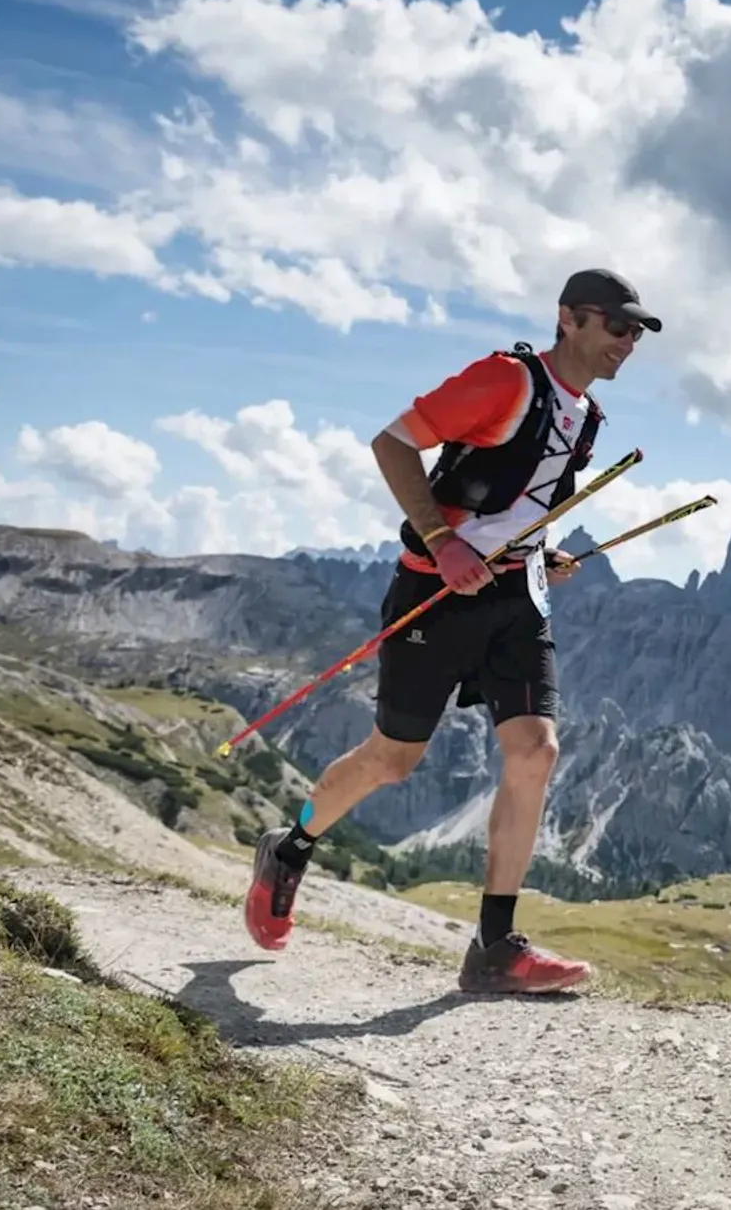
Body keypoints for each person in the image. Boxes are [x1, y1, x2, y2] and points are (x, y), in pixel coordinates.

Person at [241, 268, 662, 994]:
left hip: (516, 596)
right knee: (392, 760)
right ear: (571, 320)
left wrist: (539, 550)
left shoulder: (586, 417)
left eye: (636, 332)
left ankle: (495, 947)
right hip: (436, 593)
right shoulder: (504, 380)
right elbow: (394, 442)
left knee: (536, 750)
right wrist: (443, 541)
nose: (628, 342)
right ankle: (291, 845)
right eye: (618, 326)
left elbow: (520, 502)